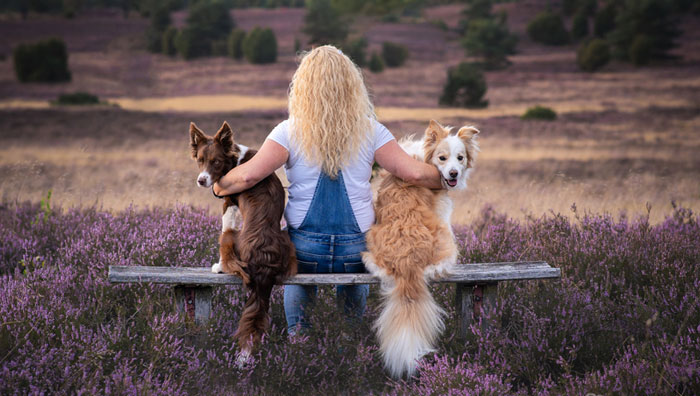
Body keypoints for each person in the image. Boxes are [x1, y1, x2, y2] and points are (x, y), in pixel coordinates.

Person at [213, 45, 442, 336]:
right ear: (351, 85)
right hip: (355, 249)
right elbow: (413, 173)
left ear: (304, 87)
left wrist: (218, 186)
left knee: (300, 325)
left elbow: (246, 178)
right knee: (350, 333)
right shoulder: (371, 130)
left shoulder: (288, 131)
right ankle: (348, 350)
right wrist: (450, 177)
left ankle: (300, 344)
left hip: (304, 248)